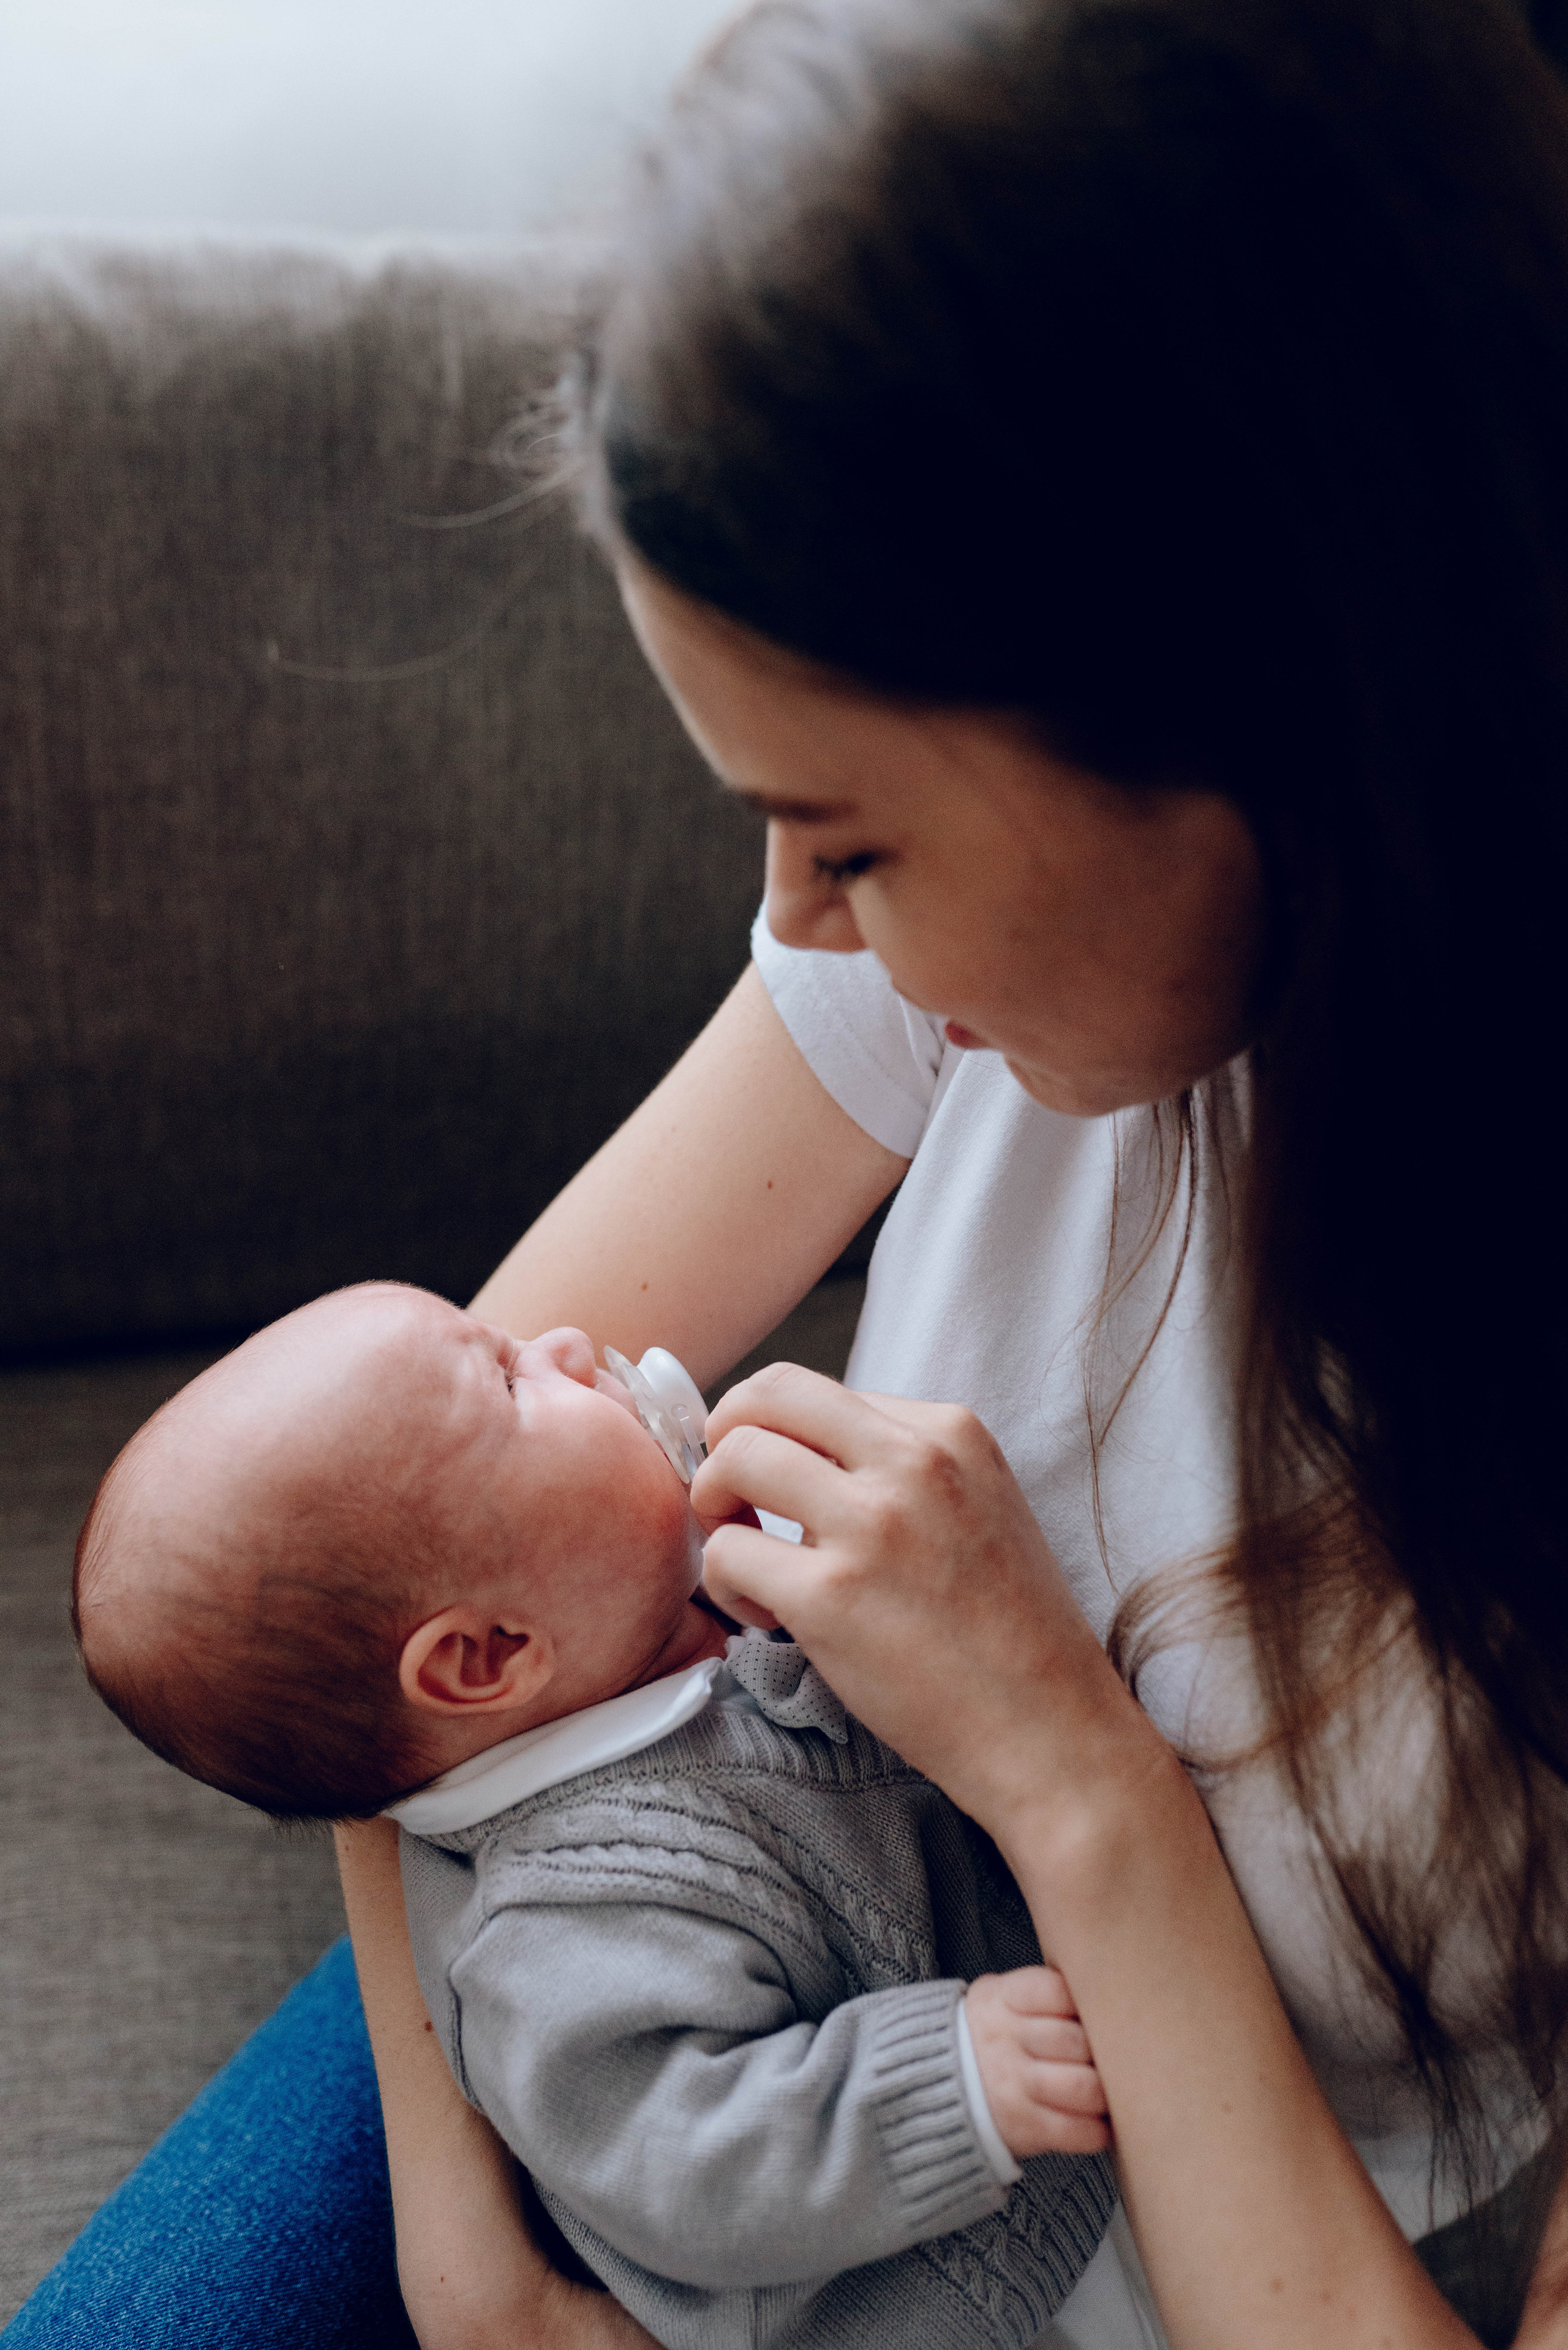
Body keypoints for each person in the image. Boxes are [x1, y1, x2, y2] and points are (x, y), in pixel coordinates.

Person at [9, 0, 1568, 2343]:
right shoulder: (965, 973)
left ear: (1268, 710)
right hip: (651, 1977)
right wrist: (461, 2230)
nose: (796, 928)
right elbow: (371, 1552)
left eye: (844, 834)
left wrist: (1076, 1774)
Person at [69, 1280, 1116, 2350]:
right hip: (968, 2289)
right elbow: (690, 2164)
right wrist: (955, 2080)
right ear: (490, 1655)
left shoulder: (633, 1635)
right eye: (515, 1380)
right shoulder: (555, 1932)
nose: (566, 1339)